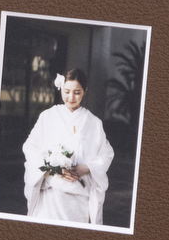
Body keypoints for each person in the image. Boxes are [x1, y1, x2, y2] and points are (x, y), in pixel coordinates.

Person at [21, 68, 113, 226]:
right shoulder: (48, 117)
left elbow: (106, 154)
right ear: (60, 88)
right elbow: (31, 148)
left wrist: (87, 167)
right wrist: (53, 169)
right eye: (67, 91)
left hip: (79, 200)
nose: (71, 97)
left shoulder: (94, 122)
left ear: (85, 91)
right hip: (51, 196)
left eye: (77, 92)